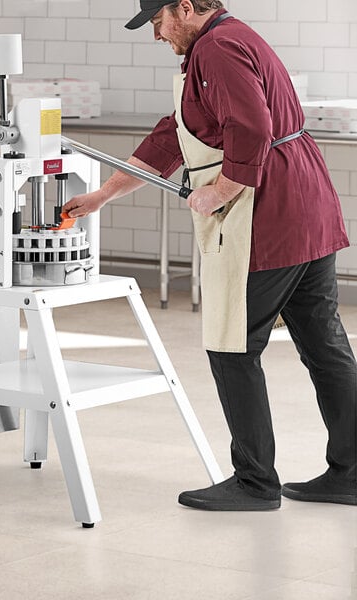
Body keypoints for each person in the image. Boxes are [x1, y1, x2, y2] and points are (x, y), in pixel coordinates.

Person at [63, 0, 357, 511]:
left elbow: (251, 129)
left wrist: (219, 191)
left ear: (182, 7)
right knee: (324, 346)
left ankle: (254, 483)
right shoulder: (227, 39)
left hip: (270, 216)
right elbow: (173, 136)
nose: (157, 35)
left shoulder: (217, 48)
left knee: (232, 346)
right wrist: (103, 195)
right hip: (307, 209)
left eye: (157, 22)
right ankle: (352, 474)